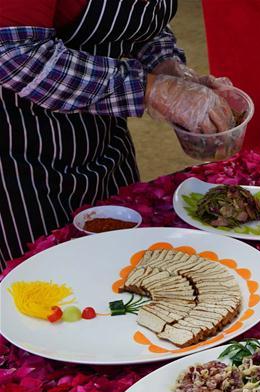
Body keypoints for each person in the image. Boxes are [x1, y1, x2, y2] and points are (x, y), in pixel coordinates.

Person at [0, 0, 232, 267]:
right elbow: (14, 54)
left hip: (104, 135)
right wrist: (152, 90)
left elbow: (139, 22)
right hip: (23, 154)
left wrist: (167, 67)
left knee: (122, 263)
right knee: (48, 281)